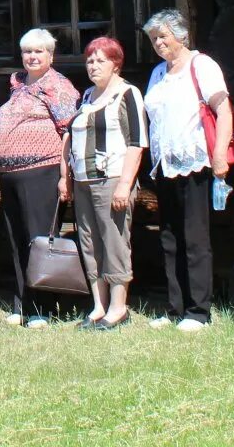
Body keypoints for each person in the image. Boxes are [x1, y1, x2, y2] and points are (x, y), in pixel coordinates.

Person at [142, 9, 231, 332]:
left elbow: (223, 111)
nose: (158, 43)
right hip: (165, 166)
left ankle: (198, 311)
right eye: (154, 39)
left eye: (163, 36)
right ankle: (174, 306)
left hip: (194, 163)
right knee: (169, 238)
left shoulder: (202, 66)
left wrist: (220, 154)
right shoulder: (157, 73)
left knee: (195, 238)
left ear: (181, 35)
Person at [0, 27, 79, 327]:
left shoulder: (59, 86)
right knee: (17, 239)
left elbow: (69, 132)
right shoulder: (18, 85)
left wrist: (64, 176)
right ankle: (23, 303)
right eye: (27, 51)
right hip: (11, 175)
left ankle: (42, 308)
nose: (32, 56)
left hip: (42, 172)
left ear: (51, 55)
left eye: (39, 51)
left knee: (39, 240)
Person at [70, 36, 147, 329]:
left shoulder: (127, 93)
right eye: (90, 60)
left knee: (114, 241)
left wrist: (125, 185)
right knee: (90, 242)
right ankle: (98, 306)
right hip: (82, 180)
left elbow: (137, 143)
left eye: (101, 60)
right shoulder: (87, 95)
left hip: (112, 179)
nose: (94, 66)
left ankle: (118, 307)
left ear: (116, 64)